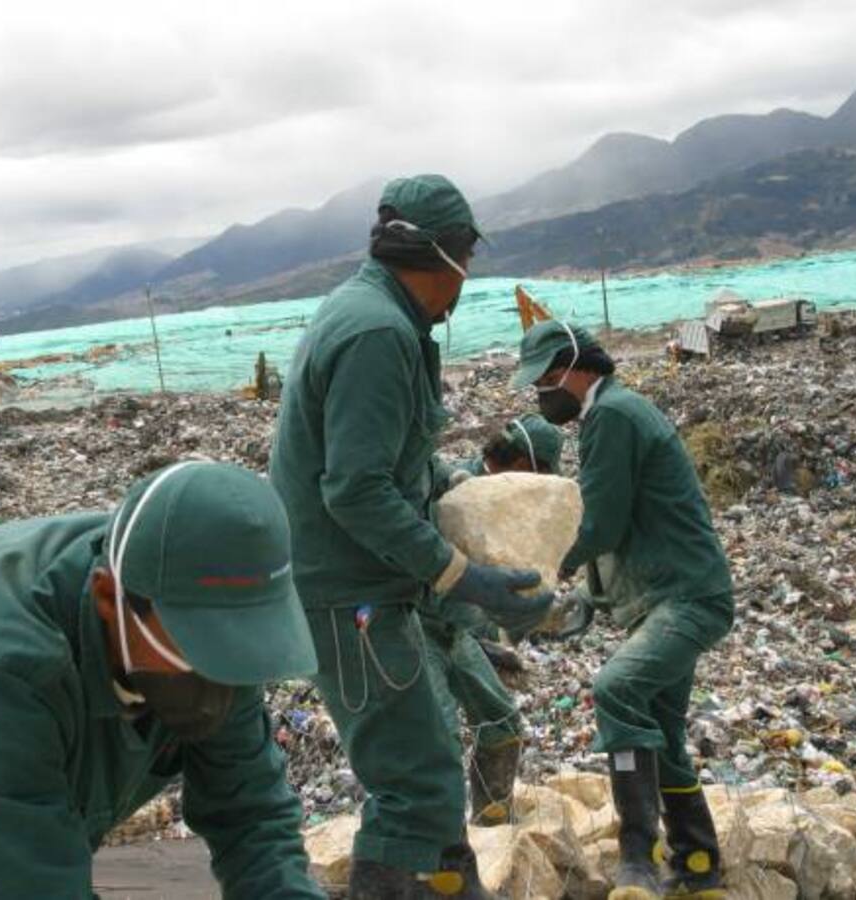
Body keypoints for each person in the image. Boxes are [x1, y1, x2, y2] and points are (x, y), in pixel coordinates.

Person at [270, 174, 554, 899]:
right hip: (352, 594)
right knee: (411, 780)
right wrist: (463, 576)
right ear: (447, 258)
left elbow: (398, 460)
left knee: (422, 760)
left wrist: (455, 489)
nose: (465, 286)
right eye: (467, 265)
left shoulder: (371, 314)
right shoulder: (377, 333)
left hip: (361, 587)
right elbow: (356, 489)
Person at [0, 461, 325, 899]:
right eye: (200, 648)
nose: (220, 687)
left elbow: (252, 818)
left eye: (239, 647)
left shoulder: (202, 615)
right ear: (110, 600)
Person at [512, 321, 734, 900]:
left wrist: (542, 564)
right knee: (662, 729)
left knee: (616, 689)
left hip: (684, 597)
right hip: (666, 594)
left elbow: (600, 522)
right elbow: (621, 518)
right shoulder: (614, 412)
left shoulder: (612, 415)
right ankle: (699, 861)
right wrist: (591, 593)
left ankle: (639, 857)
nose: (542, 395)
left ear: (575, 368)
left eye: (545, 381)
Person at [425, 415, 565, 828]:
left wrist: (493, 638)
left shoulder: (497, 494)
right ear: (523, 465)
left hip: (456, 631)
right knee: (438, 735)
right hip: (419, 627)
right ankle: (441, 850)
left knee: (501, 721)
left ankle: (491, 823)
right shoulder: (461, 493)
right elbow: (443, 572)